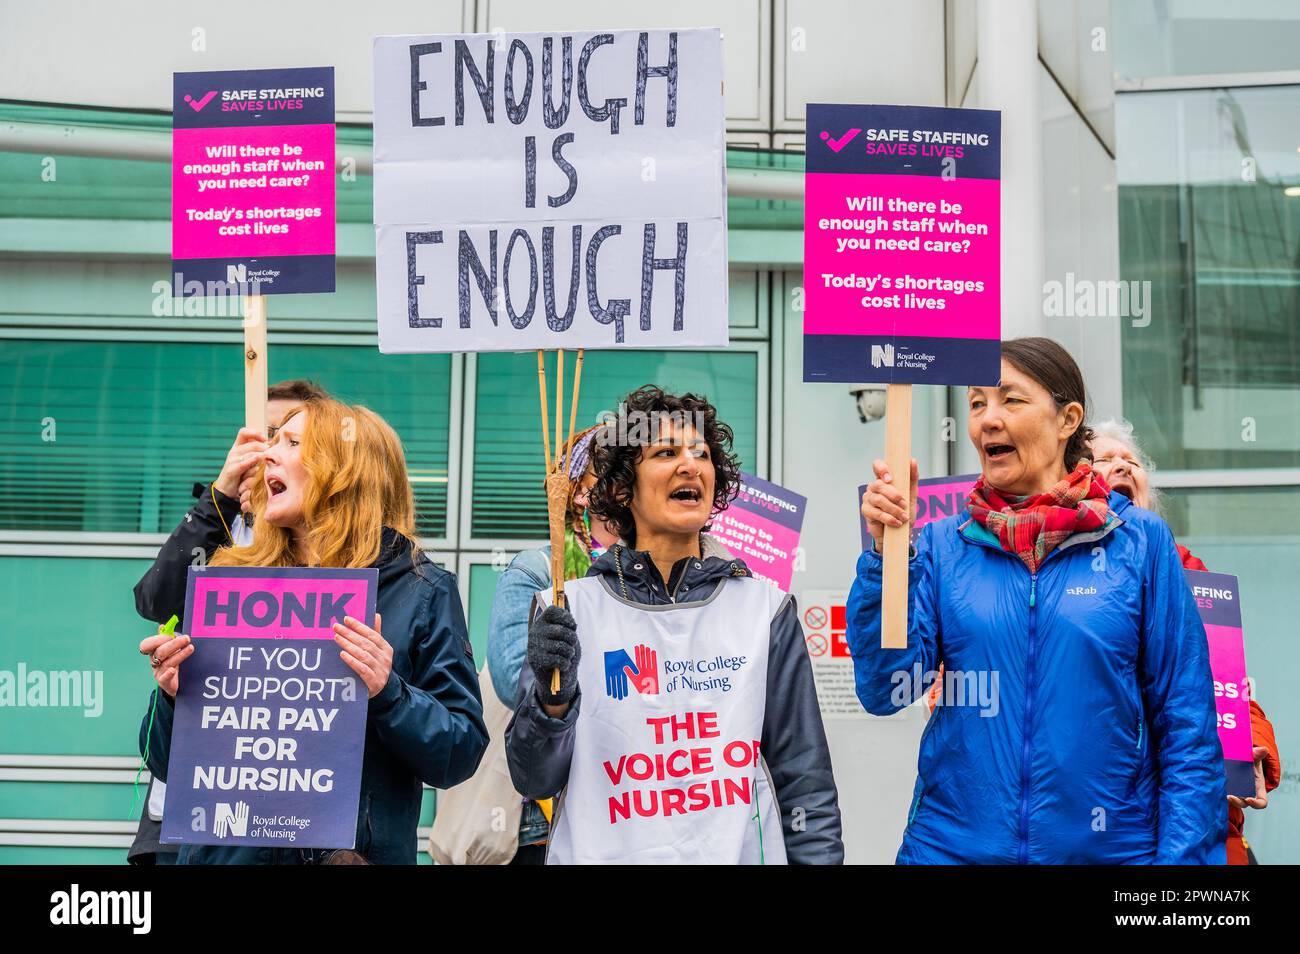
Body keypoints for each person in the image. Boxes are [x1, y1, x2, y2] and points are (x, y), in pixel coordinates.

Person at [849, 337, 1225, 864]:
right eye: (977, 403)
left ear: (1067, 418)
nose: (987, 419)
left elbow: (1187, 725)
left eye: (1011, 400)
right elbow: (884, 688)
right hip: (952, 850)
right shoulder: (939, 545)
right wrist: (888, 555)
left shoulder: (1139, 543)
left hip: (1110, 854)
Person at [136, 397, 488, 864]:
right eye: (273, 440)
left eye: (292, 442)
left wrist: (389, 692)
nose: (267, 454)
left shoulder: (421, 591)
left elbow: (460, 752)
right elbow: (161, 761)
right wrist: (174, 696)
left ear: (345, 470)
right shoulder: (230, 580)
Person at [504, 386, 842, 864]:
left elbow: (805, 780)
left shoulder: (766, 610)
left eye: (702, 454)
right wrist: (551, 704)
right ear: (623, 489)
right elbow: (533, 777)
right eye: (666, 452)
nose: (691, 466)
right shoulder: (567, 608)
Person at [128, 379, 329, 865]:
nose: (272, 451)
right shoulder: (217, 524)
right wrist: (217, 499)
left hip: (285, 813)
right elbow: (155, 599)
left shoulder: (328, 548)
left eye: (289, 438)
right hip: (185, 815)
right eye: (264, 435)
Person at [1090, 418, 1282, 864]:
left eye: (1130, 461)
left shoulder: (1192, 573)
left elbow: (1228, 689)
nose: (1122, 465)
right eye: (1105, 459)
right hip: (1109, 825)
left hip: (1201, 825)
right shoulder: (1059, 578)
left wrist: (1250, 749)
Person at [484, 425, 620, 864]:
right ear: (579, 493)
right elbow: (511, 682)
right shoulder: (540, 571)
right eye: (612, 474)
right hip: (544, 818)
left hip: (630, 797)